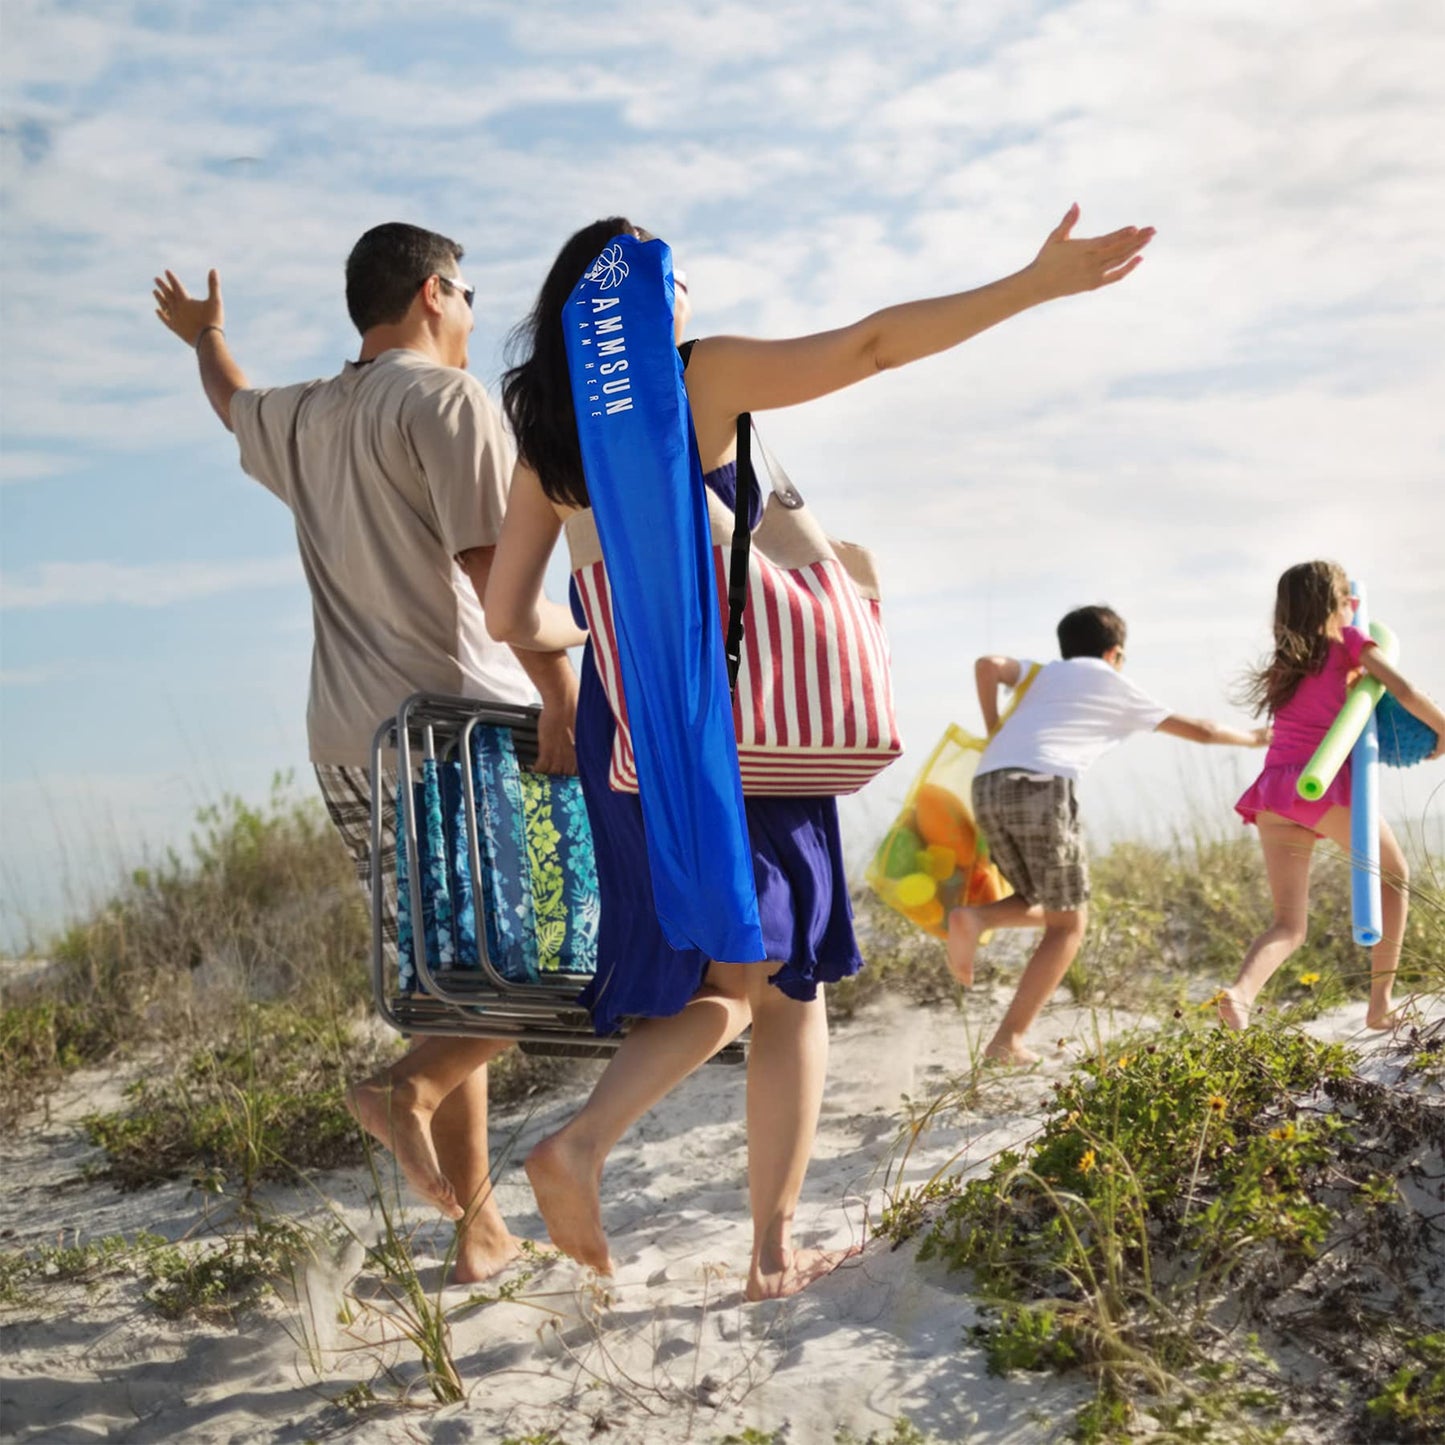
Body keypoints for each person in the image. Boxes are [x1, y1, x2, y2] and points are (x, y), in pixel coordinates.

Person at [485, 205, 1155, 1298]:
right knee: (782, 986)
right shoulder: (691, 377)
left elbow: (513, 611)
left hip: (631, 732)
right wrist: (1029, 285)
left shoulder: (552, 434)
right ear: (648, 299)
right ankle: (731, 1231)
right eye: (676, 270)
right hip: (735, 724)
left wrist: (609, 628)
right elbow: (870, 344)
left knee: (726, 980)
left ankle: (618, 1162)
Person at [152, 222, 581, 1283]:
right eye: (470, 293)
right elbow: (502, 584)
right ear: (435, 292)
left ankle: (477, 1229)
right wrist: (566, 698)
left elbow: (227, 401)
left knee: (457, 984)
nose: (477, 314)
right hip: (460, 726)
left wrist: (206, 337)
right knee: (563, 954)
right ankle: (409, 1090)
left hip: (351, 742)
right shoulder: (444, 402)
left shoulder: (300, 413)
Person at [947, 605, 1269, 1063]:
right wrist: (1255, 739)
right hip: (1044, 785)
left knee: (1040, 899)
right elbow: (1202, 730)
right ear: (1115, 653)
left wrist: (994, 727)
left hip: (987, 784)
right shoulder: (1111, 680)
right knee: (1069, 926)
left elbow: (987, 665)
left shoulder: (1043, 674)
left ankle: (978, 919)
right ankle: (1007, 1040)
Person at [1220, 561, 1445, 1030]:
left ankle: (1240, 995)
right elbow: (1403, 689)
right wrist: (1443, 732)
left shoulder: (1286, 662)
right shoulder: (1348, 644)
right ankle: (1380, 1003)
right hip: (1319, 786)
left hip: (1275, 794)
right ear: (1337, 605)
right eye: (1348, 600)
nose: (1354, 608)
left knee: (1289, 925)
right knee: (1396, 876)